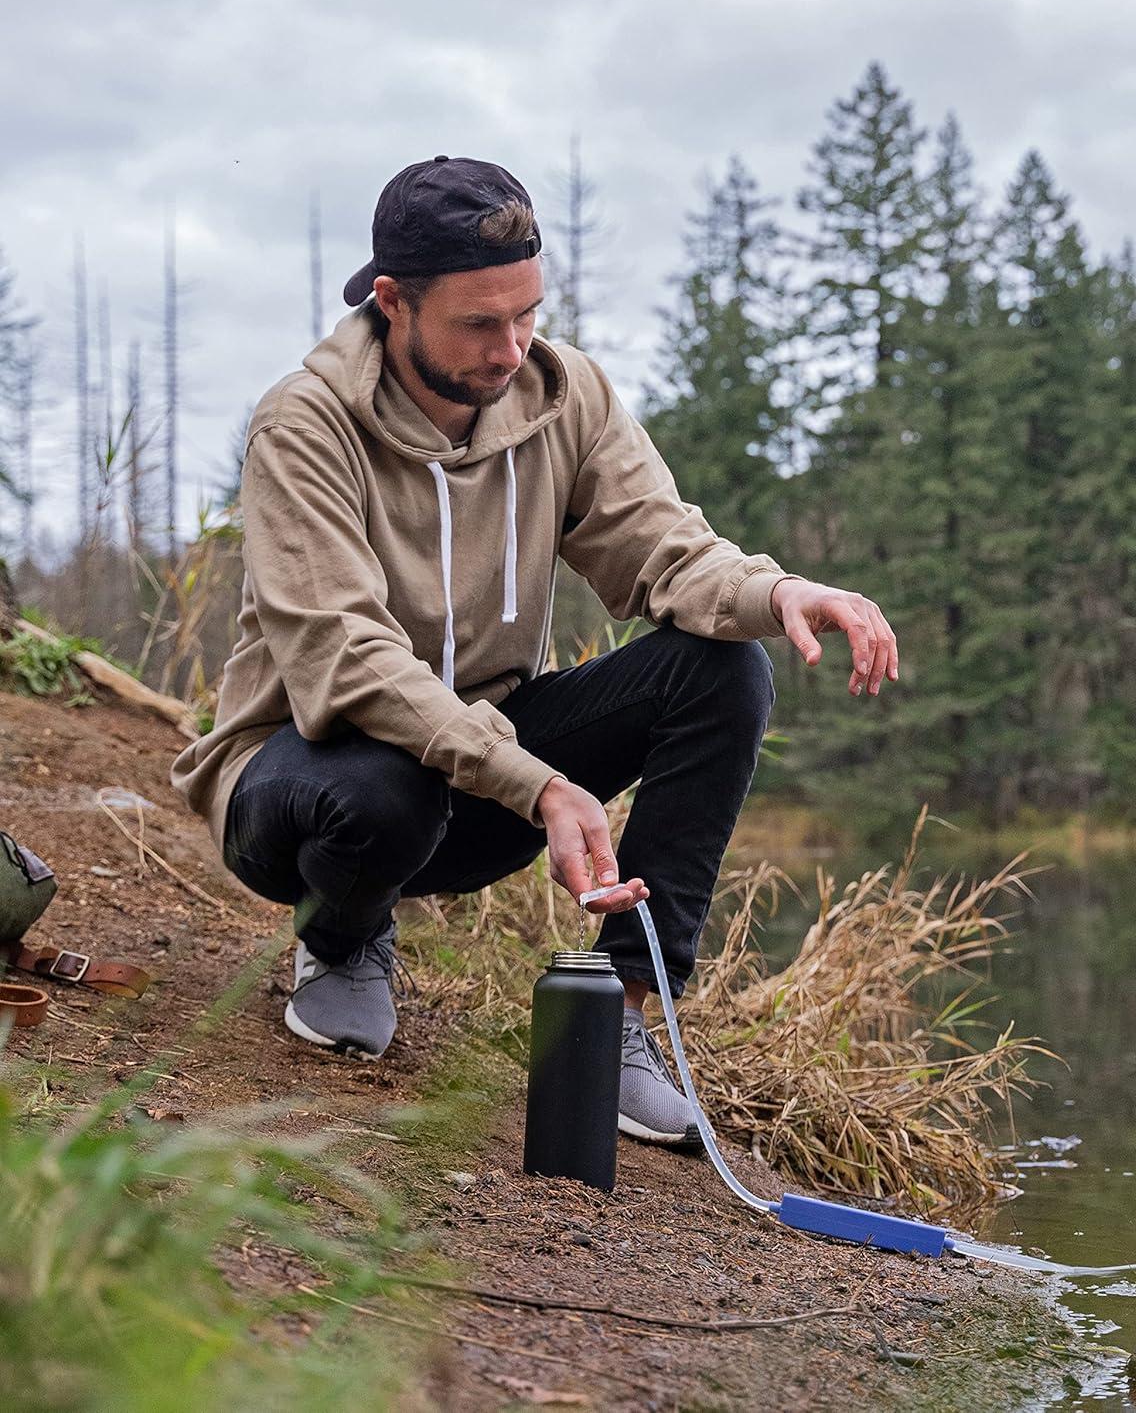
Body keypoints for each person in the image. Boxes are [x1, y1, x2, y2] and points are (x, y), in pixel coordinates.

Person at [171, 156, 899, 1148]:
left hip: (484, 785)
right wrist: (542, 785)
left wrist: (778, 593)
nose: (511, 348)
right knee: (386, 785)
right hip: (308, 787)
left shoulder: (564, 395)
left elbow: (662, 547)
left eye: (527, 315)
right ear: (393, 302)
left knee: (724, 670)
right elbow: (346, 659)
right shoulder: (304, 423)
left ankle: (616, 1017)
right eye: (481, 323)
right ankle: (341, 940)